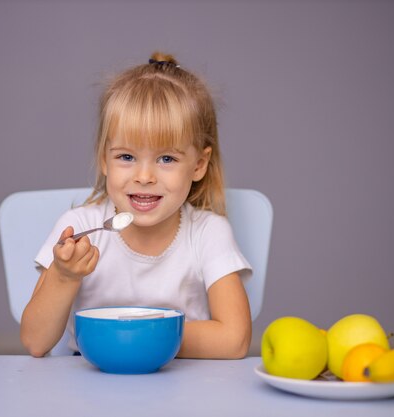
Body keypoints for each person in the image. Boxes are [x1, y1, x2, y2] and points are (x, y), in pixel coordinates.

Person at [20, 52, 252, 359]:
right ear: (104, 159)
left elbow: (234, 340)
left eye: (166, 159)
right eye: (126, 157)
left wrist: (138, 337)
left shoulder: (209, 233)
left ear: (199, 164)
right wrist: (64, 276)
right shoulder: (80, 229)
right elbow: (35, 342)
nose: (144, 177)